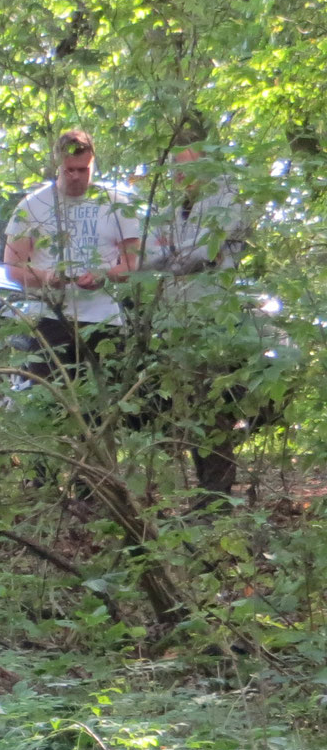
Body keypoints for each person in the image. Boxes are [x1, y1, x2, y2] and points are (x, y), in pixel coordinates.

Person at [148, 140, 262, 498]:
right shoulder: (171, 209)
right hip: (176, 321)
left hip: (214, 321)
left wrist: (181, 257)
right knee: (190, 407)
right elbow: (153, 252)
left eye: (188, 168)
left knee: (214, 405)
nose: (181, 176)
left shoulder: (225, 200)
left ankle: (218, 492)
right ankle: (207, 490)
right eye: (177, 169)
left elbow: (208, 251)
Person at [4, 130, 140, 380]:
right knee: (52, 403)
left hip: (104, 320)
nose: (76, 176)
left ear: (92, 163)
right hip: (50, 317)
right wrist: (47, 278)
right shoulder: (32, 206)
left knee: (105, 401)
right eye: (69, 169)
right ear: (57, 164)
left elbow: (133, 265)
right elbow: (13, 267)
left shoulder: (117, 205)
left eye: (83, 169)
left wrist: (104, 275)